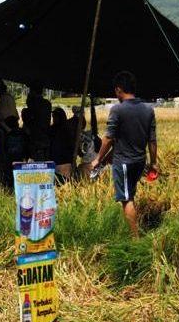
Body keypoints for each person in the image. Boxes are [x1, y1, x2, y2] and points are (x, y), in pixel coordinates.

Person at [91, 71, 158, 237]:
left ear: (119, 89)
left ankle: (135, 240)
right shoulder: (148, 110)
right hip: (140, 161)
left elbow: (108, 138)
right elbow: (152, 141)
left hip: (124, 163)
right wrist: (154, 162)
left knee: (126, 199)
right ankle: (133, 231)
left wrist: (98, 159)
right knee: (131, 193)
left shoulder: (118, 110)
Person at [25, 84, 51, 161]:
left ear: (32, 92)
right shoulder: (47, 104)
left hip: (35, 139)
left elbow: (29, 120)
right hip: (45, 138)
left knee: (36, 163)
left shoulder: (33, 103)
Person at [49, 107, 75, 182]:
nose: (53, 119)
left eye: (55, 117)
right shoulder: (52, 129)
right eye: (53, 117)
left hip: (64, 163)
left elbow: (71, 146)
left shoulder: (66, 130)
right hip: (55, 162)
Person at [2, 116, 29, 186]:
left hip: (10, 159)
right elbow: (27, 145)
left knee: (10, 175)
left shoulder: (8, 135)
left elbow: (5, 148)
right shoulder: (23, 133)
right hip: (21, 158)